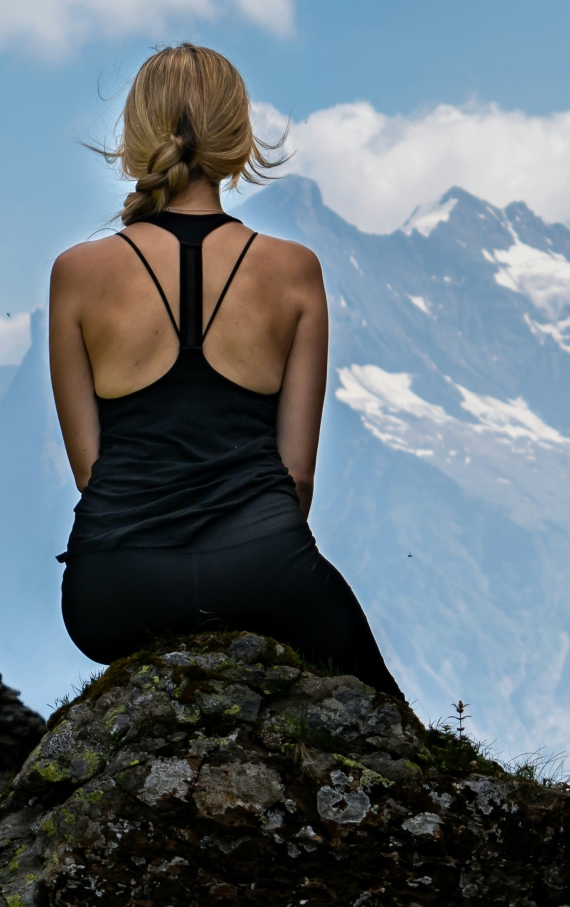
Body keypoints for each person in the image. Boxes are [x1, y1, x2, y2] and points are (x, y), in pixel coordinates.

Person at [48, 42, 405, 701]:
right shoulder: (295, 271)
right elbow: (297, 476)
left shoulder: (76, 274)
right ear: (239, 144)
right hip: (265, 576)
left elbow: (90, 472)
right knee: (385, 709)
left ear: (134, 142)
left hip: (111, 596)